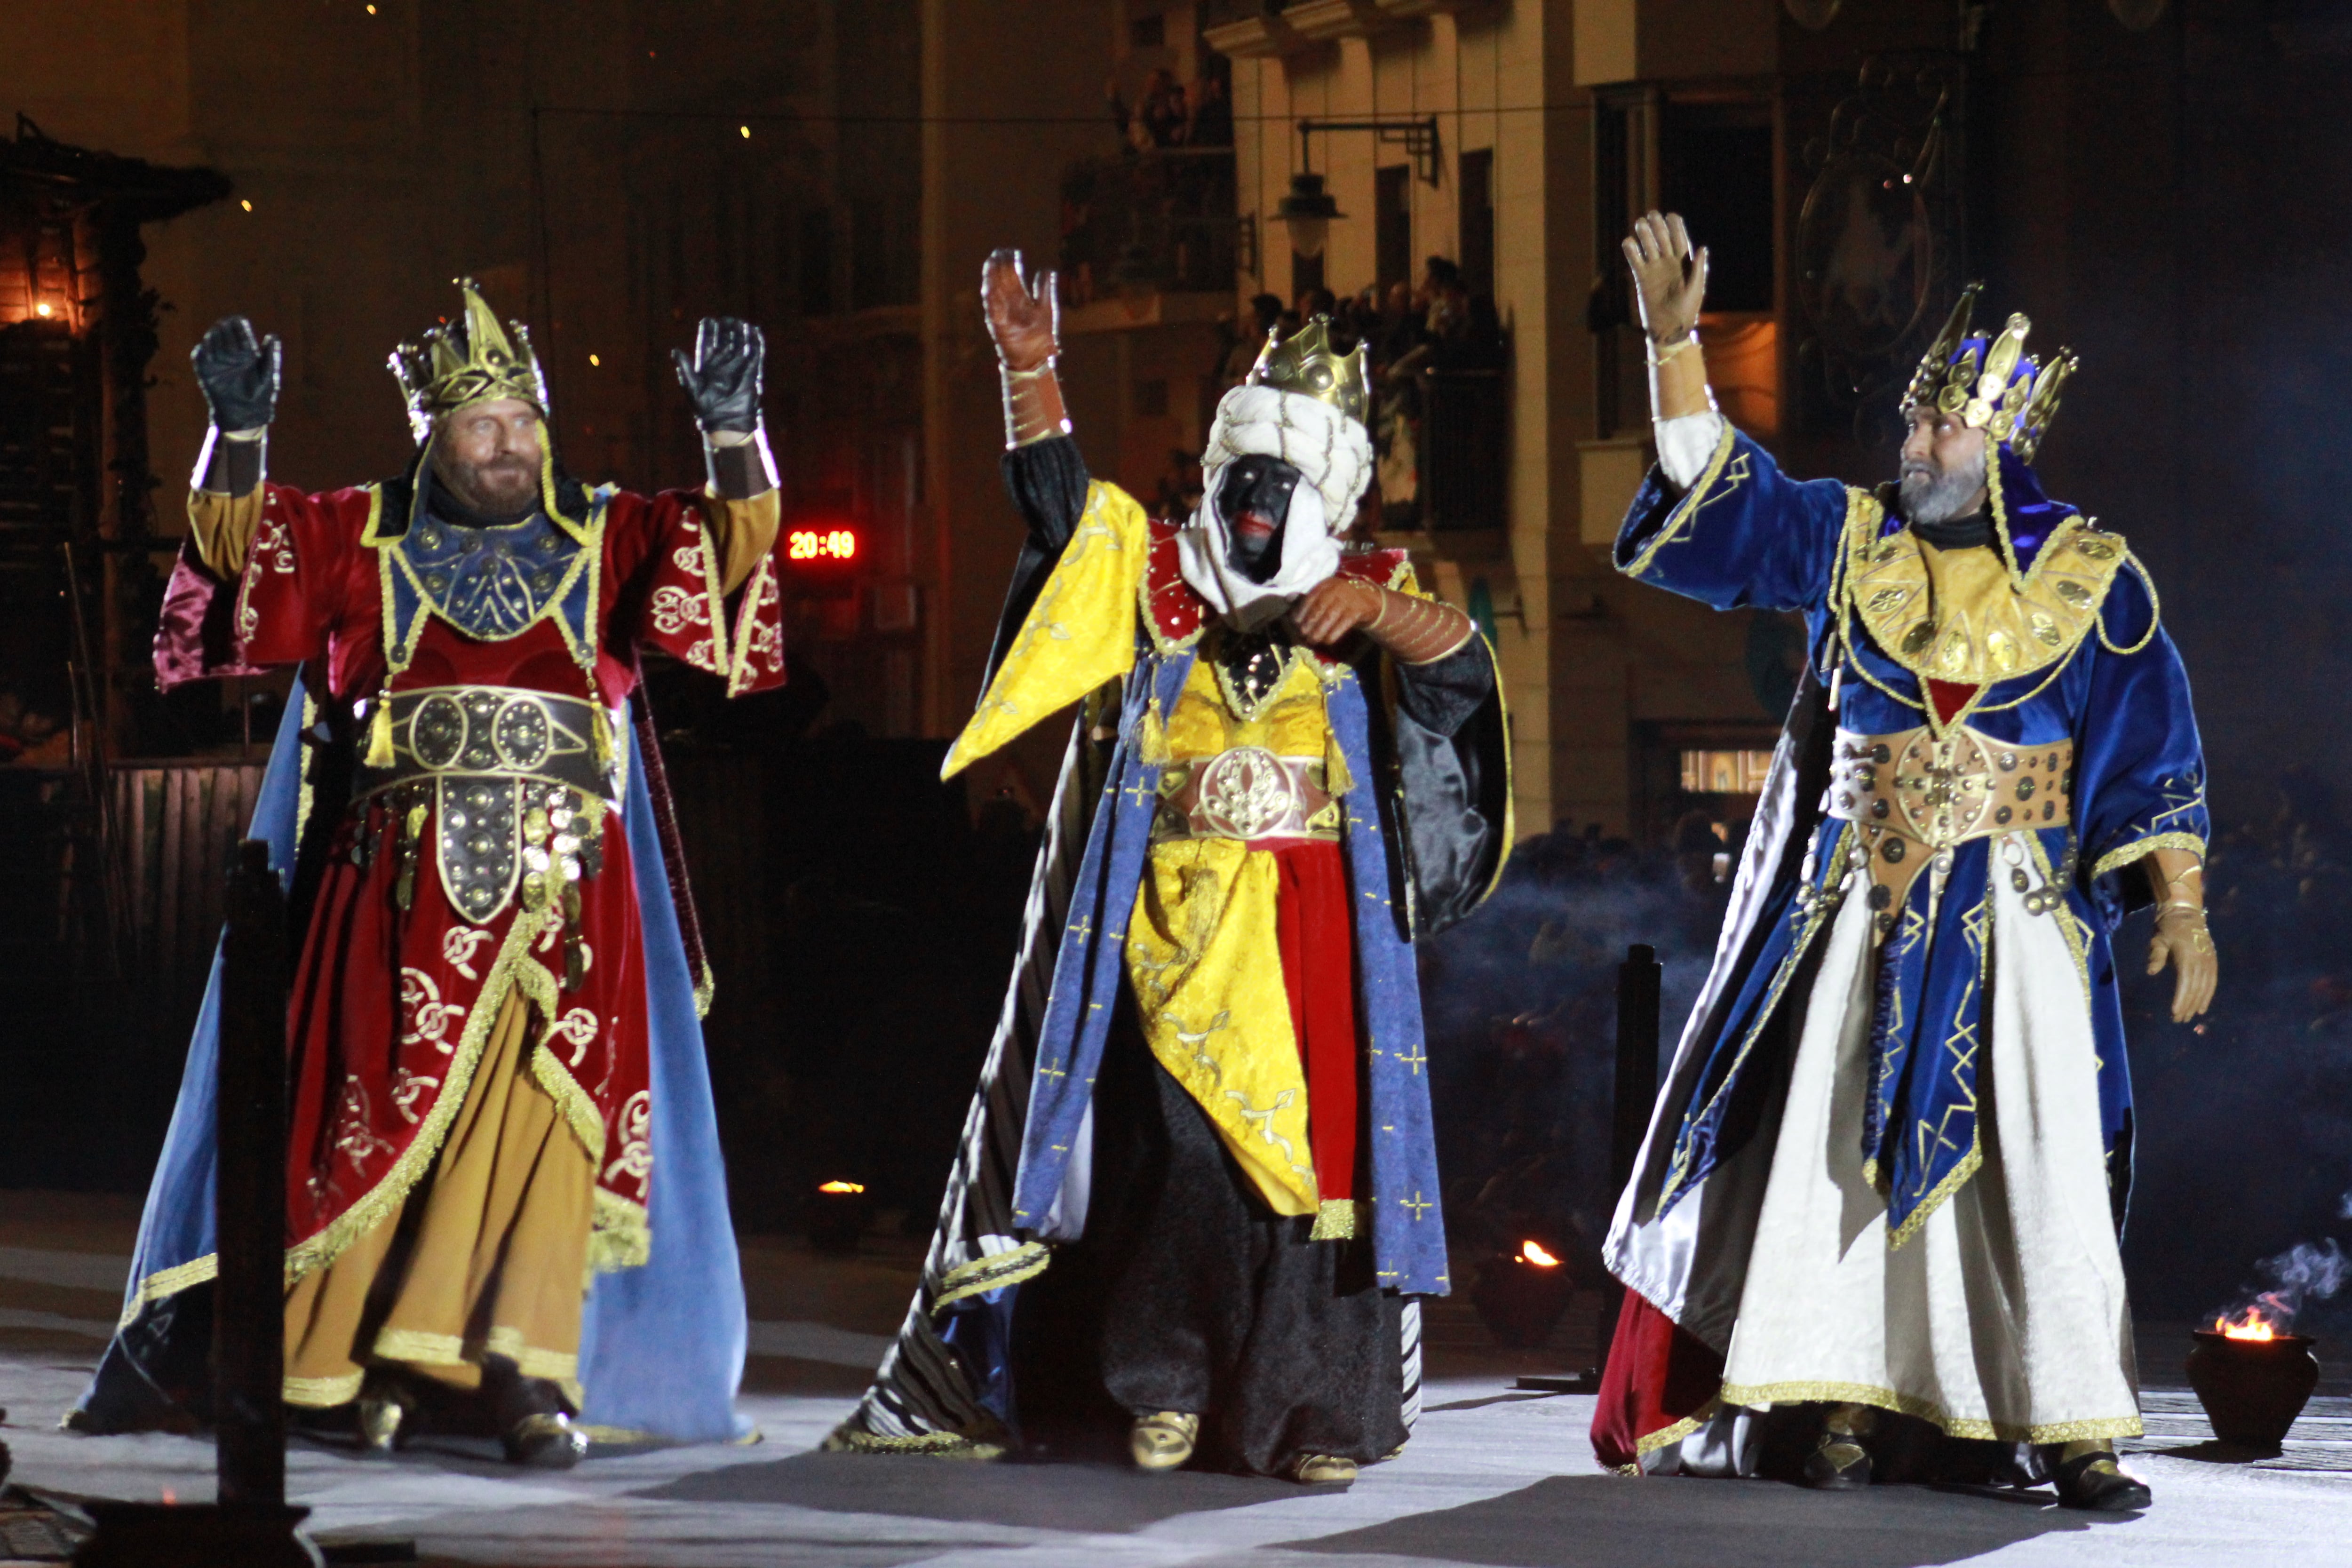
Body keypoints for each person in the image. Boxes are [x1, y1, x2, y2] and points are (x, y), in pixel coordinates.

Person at [826, 250, 1510, 1481]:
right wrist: (1029, 369)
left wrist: (1389, 618)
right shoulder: (1150, 574)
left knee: (1311, 1197)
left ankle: (1310, 1415)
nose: (1256, 499)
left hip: (1315, 949)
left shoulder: (1370, 595)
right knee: (1183, 1165)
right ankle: (1164, 1386)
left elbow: (1462, 672)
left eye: (1284, 479)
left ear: (1328, 491)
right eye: (1243, 472)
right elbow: (1055, 505)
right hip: (1163, 932)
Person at [76, 281, 787, 1464]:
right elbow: (237, 574)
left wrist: (733, 431)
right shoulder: (362, 531)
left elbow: (729, 568)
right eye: (479, 425)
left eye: (522, 421)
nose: (506, 443)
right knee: (366, 1120)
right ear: (433, 434)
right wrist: (236, 435)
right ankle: (344, 1363)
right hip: (393, 892)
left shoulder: (608, 531)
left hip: (570, 890)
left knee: (557, 1118)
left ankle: (522, 1373)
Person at [1592, 213, 2213, 1512]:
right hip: (1860, 902)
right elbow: (1727, 495)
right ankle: (1834, 1399)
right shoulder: (1850, 539)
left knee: (2037, 1161)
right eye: (1911, 427)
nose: (1912, 446)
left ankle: (2071, 1420)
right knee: (1836, 1158)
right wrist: (1672, 347)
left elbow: (2150, 744)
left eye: (1938, 430)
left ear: (2000, 442)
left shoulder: (2096, 578)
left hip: (2021, 911)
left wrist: (2183, 903)